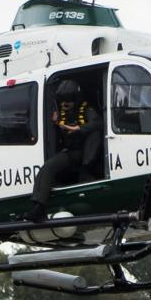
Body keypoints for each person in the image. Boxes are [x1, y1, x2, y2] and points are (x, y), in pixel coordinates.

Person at [26, 79, 101, 221]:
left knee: (94, 135)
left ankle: (86, 171)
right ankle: (38, 207)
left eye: (70, 99)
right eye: (63, 99)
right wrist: (55, 124)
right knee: (48, 167)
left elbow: (98, 124)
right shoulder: (59, 113)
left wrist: (78, 129)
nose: (66, 102)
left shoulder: (86, 110)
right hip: (70, 152)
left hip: (85, 152)